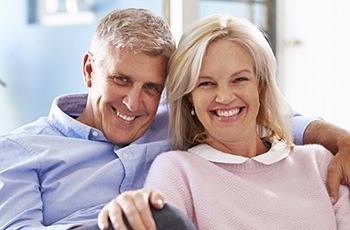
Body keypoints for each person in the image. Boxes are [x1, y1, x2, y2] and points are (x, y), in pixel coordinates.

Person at [0, 8, 349, 230]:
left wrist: (341, 140)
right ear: (90, 70)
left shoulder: (178, 117)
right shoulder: (22, 150)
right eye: (121, 79)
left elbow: (270, 118)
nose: (134, 102)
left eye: (152, 87)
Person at [98, 14, 350, 229]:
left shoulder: (319, 162)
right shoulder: (177, 170)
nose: (225, 97)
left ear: (260, 87)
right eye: (206, 83)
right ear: (189, 98)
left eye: (239, 79)